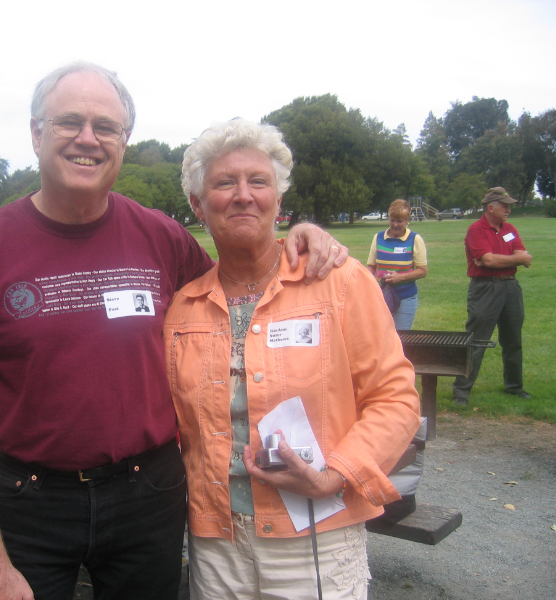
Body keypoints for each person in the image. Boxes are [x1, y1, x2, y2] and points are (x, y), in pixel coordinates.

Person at [0, 61, 349, 600]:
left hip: (149, 493)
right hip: (30, 501)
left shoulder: (159, 237)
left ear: (124, 142)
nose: (87, 139)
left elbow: (243, 287)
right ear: (36, 133)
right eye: (69, 122)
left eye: (105, 127)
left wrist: (296, 234)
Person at [165, 119, 420, 599]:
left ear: (279, 200)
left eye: (258, 181)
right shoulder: (184, 308)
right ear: (198, 204)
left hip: (315, 533)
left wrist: (336, 474)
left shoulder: (338, 283)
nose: (244, 195)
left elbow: (396, 397)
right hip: (216, 541)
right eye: (224, 183)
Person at [452, 187, 533, 405]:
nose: (508, 209)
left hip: (511, 288)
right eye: (505, 205)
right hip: (485, 288)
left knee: (513, 340)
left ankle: (514, 387)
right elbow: (488, 262)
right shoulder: (476, 230)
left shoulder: (509, 229)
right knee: (476, 341)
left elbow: (522, 256)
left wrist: (496, 259)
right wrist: (510, 259)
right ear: (491, 207)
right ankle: (461, 391)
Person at [366, 199, 428, 330]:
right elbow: (371, 266)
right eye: (392, 220)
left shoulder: (415, 239)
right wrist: (367, 281)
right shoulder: (378, 237)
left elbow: (422, 270)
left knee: (401, 338)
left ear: (407, 221)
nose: (395, 224)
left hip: (405, 296)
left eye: (400, 221)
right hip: (382, 296)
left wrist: (400, 277)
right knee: (380, 335)